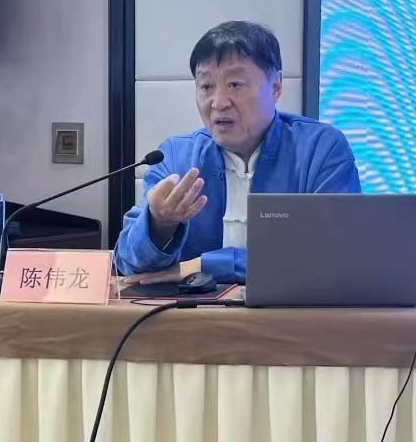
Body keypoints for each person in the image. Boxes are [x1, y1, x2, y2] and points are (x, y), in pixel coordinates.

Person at [115, 20, 361, 285]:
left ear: (275, 86)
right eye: (206, 87)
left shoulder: (320, 149)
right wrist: (159, 225)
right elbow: (126, 263)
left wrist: (204, 265)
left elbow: (333, 254)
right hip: (191, 311)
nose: (219, 103)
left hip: (291, 309)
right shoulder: (175, 157)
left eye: (235, 84)